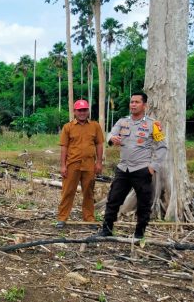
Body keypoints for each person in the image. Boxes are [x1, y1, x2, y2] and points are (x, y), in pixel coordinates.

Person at [98, 92, 167, 239]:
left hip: (141, 170)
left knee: (143, 203)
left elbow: (162, 147)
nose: (133, 105)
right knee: (113, 199)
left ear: (145, 105)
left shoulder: (153, 125)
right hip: (123, 168)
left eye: (137, 102)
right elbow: (110, 134)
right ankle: (107, 229)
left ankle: (139, 233)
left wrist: (153, 167)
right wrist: (112, 139)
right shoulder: (123, 122)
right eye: (131, 102)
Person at [55, 100, 104, 228]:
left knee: (89, 192)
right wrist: (63, 165)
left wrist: (99, 162)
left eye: (84, 110)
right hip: (72, 164)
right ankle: (62, 218)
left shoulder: (95, 126)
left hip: (89, 165)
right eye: (79, 110)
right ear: (75, 112)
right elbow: (64, 147)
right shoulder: (68, 127)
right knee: (68, 191)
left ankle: (89, 219)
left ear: (88, 111)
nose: (82, 113)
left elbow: (99, 144)